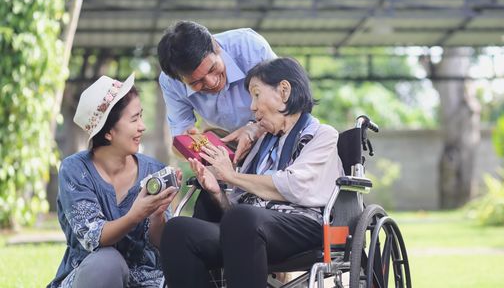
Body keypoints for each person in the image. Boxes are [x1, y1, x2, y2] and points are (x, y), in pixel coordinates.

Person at [159, 58, 344, 288]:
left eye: (256, 95)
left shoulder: (322, 134)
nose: (252, 107)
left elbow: (293, 185)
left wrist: (231, 176)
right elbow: (235, 207)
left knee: (243, 218)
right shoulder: (262, 142)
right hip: (250, 227)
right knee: (178, 231)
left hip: (303, 224)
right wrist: (217, 191)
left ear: (284, 91)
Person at [48, 73, 180, 288]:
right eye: (134, 119)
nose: (142, 126)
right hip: (92, 278)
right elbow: (94, 238)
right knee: (106, 262)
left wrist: (157, 216)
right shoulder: (75, 170)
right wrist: (137, 214)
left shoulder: (154, 170)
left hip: (148, 281)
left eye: (142, 116)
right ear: (108, 132)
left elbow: (161, 245)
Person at [157, 20, 277, 162]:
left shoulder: (250, 47)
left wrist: (255, 129)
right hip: (231, 146)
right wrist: (189, 143)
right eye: (196, 82)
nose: (212, 83)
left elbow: (287, 102)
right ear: (179, 80)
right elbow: (177, 146)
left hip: (276, 131)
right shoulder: (170, 83)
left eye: (212, 68)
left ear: (216, 46)